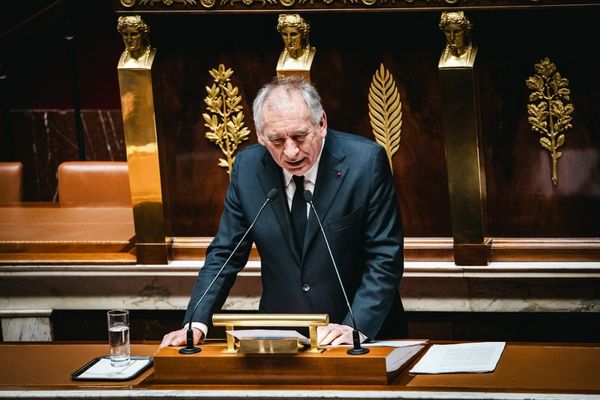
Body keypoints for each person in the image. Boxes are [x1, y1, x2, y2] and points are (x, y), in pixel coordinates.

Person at [159, 76, 405, 350]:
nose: (291, 151)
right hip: (280, 338)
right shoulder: (247, 169)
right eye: (276, 140)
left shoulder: (366, 163)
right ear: (260, 135)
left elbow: (385, 257)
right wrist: (196, 321)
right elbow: (225, 253)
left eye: (300, 136)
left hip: (358, 336)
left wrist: (354, 325)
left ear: (321, 123)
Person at [276, 14, 316, 80]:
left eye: (293, 34)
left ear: (303, 34)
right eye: (285, 35)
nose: (289, 40)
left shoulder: (312, 53)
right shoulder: (280, 56)